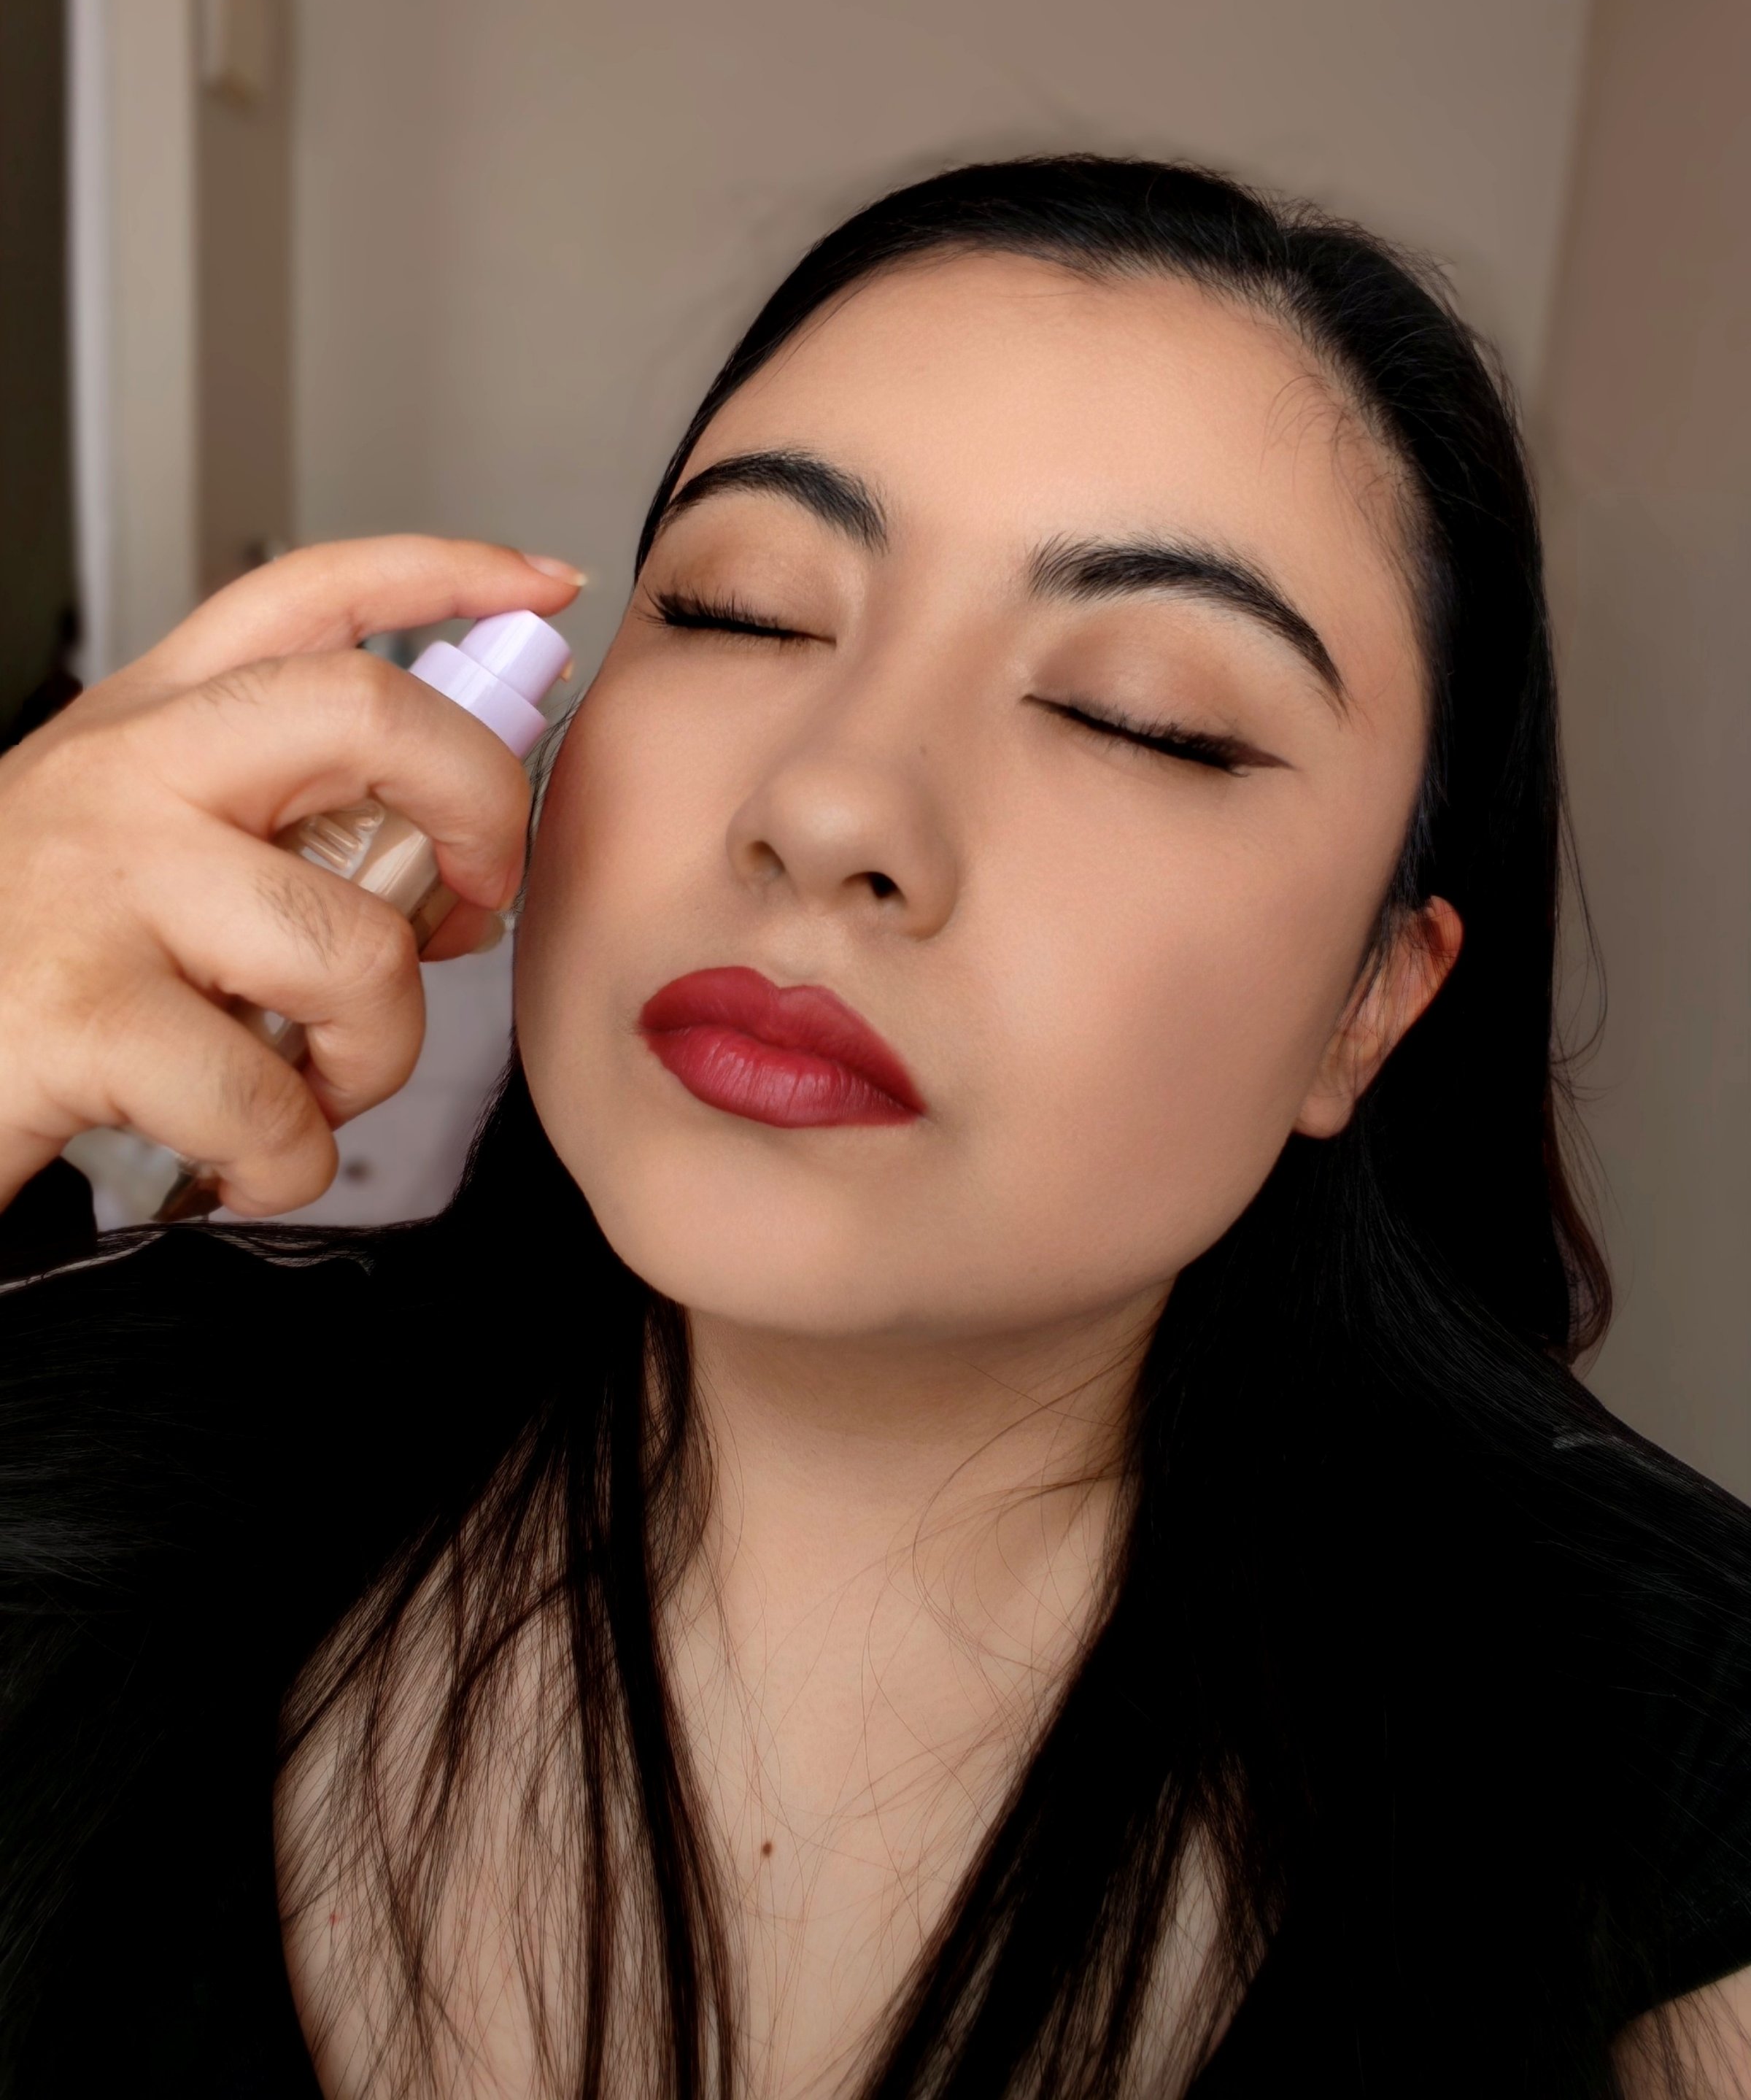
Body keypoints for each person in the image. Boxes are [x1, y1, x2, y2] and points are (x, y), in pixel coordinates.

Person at [0, 156, 1747, 2100]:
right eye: (742, 612)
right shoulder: (79, 1440)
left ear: (1372, 1004)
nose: (830, 806)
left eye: (1142, 716)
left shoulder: (1665, 1771)